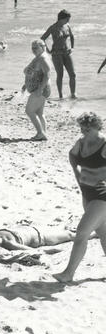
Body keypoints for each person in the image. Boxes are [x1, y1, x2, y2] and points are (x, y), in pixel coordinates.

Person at [53, 112, 106, 282]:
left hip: (102, 196)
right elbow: (72, 156)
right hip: (87, 194)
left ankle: (68, 274)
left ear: (97, 126)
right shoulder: (81, 143)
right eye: (82, 128)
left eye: (87, 128)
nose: (83, 131)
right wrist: (77, 175)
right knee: (103, 233)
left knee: (82, 233)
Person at [41, 9, 76, 99]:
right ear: (61, 18)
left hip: (67, 52)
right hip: (56, 54)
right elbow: (42, 39)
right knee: (60, 75)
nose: (68, 21)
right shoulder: (53, 27)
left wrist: (72, 48)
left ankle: (73, 94)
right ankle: (60, 95)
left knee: (72, 74)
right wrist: (47, 50)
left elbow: (72, 36)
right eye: (67, 19)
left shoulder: (67, 26)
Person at [21, 39, 52, 140]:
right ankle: (43, 134)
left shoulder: (43, 58)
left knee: (29, 111)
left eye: (36, 47)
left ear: (43, 47)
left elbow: (47, 74)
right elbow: (34, 73)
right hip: (39, 89)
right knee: (39, 113)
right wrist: (26, 84)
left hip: (40, 89)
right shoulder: (38, 57)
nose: (33, 49)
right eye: (32, 48)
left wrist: (40, 89)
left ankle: (40, 133)